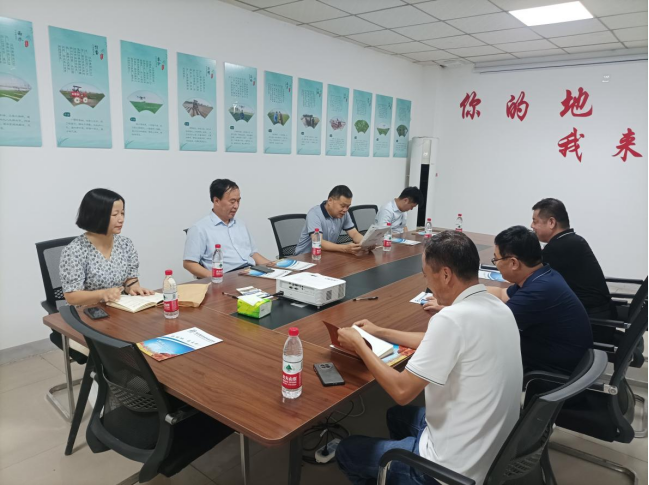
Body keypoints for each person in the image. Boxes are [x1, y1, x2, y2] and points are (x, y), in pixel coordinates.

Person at [335, 232, 523, 485]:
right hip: (494, 451)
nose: (426, 284)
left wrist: (360, 345)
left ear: (445, 275)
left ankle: (412, 473)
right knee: (396, 416)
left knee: (347, 450)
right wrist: (379, 331)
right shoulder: (499, 307)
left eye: (426, 275)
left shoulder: (451, 320)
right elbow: (433, 341)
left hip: (452, 472)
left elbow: (402, 391)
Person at [487, 226, 593, 374]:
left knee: (483, 345)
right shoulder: (542, 275)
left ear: (514, 263)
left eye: (496, 259)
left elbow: (489, 324)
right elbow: (502, 294)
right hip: (554, 354)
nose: (496, 264)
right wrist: (464, 292)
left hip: (553, 371)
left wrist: (454, 307)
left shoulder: (538, 291)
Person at [531, 198, 616, 341]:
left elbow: (529, 276)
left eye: (535, 221)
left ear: (551, 222)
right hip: (601, 315)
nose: (532, 226)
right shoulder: (572, 240)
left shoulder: (558, 248)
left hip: (589, 323)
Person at [60, 189, 154, 306]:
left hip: (119, 308)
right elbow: (71, 297)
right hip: (88, 311)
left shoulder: (125, 244)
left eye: (122, 213)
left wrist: (133, 288)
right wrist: (102, 294)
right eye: (115, 214)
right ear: (97, 216)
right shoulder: (74, 251)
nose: (121, 219)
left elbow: (130, 279)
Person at [183, 179, 272, 277]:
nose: (236, 206)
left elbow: (252, 254)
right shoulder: (199, 229)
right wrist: (217, 277)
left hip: (251, 272)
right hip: (227, 277)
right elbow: (189, 263)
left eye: (238, 201)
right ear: (216, 201)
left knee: (279, 283)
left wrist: (274, 267)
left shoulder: (240, 224)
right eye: (232, 201)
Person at [294, 185, 366, 256]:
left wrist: (366, 244)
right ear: (330, 201)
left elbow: (354, 234)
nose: (345, 210)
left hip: (326, 256)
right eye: (343, 206)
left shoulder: (344, 214)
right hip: (304, 257)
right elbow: (319, 243)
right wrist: (345, 248)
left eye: (348, 206)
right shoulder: (314, 214)